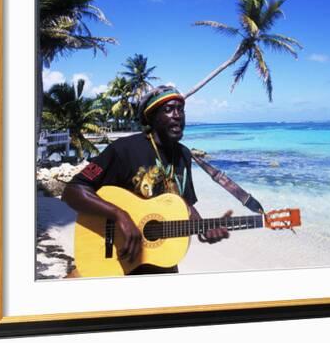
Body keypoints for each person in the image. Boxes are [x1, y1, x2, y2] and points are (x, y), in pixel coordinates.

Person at [62, 85, 231, 276]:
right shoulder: (123, 149)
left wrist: (203, 227)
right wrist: (120, 215)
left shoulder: (184, 154)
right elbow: (73, 190)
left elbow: (184, 204)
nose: (177, 115)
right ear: (152, 117)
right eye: (168, 110)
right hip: (119, 262)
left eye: (180, 109)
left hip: (162, 261)